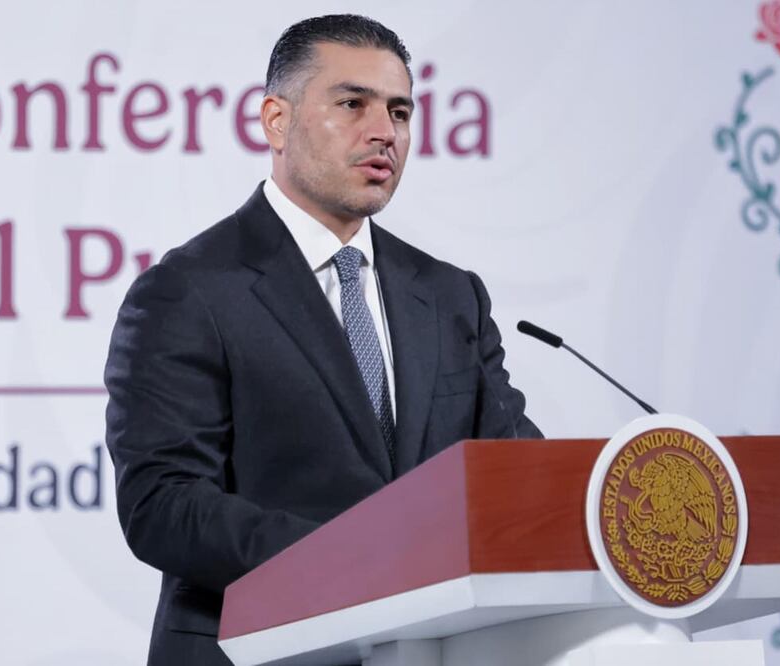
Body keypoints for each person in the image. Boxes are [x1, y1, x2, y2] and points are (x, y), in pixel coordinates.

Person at [104, 14, 542, 666]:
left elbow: (515, 476)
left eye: (399, 111)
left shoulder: (450, 296)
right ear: (275, 121)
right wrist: (358, 560)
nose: (382, 132)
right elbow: (162, 505)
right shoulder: (190, 291)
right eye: (351, 104)